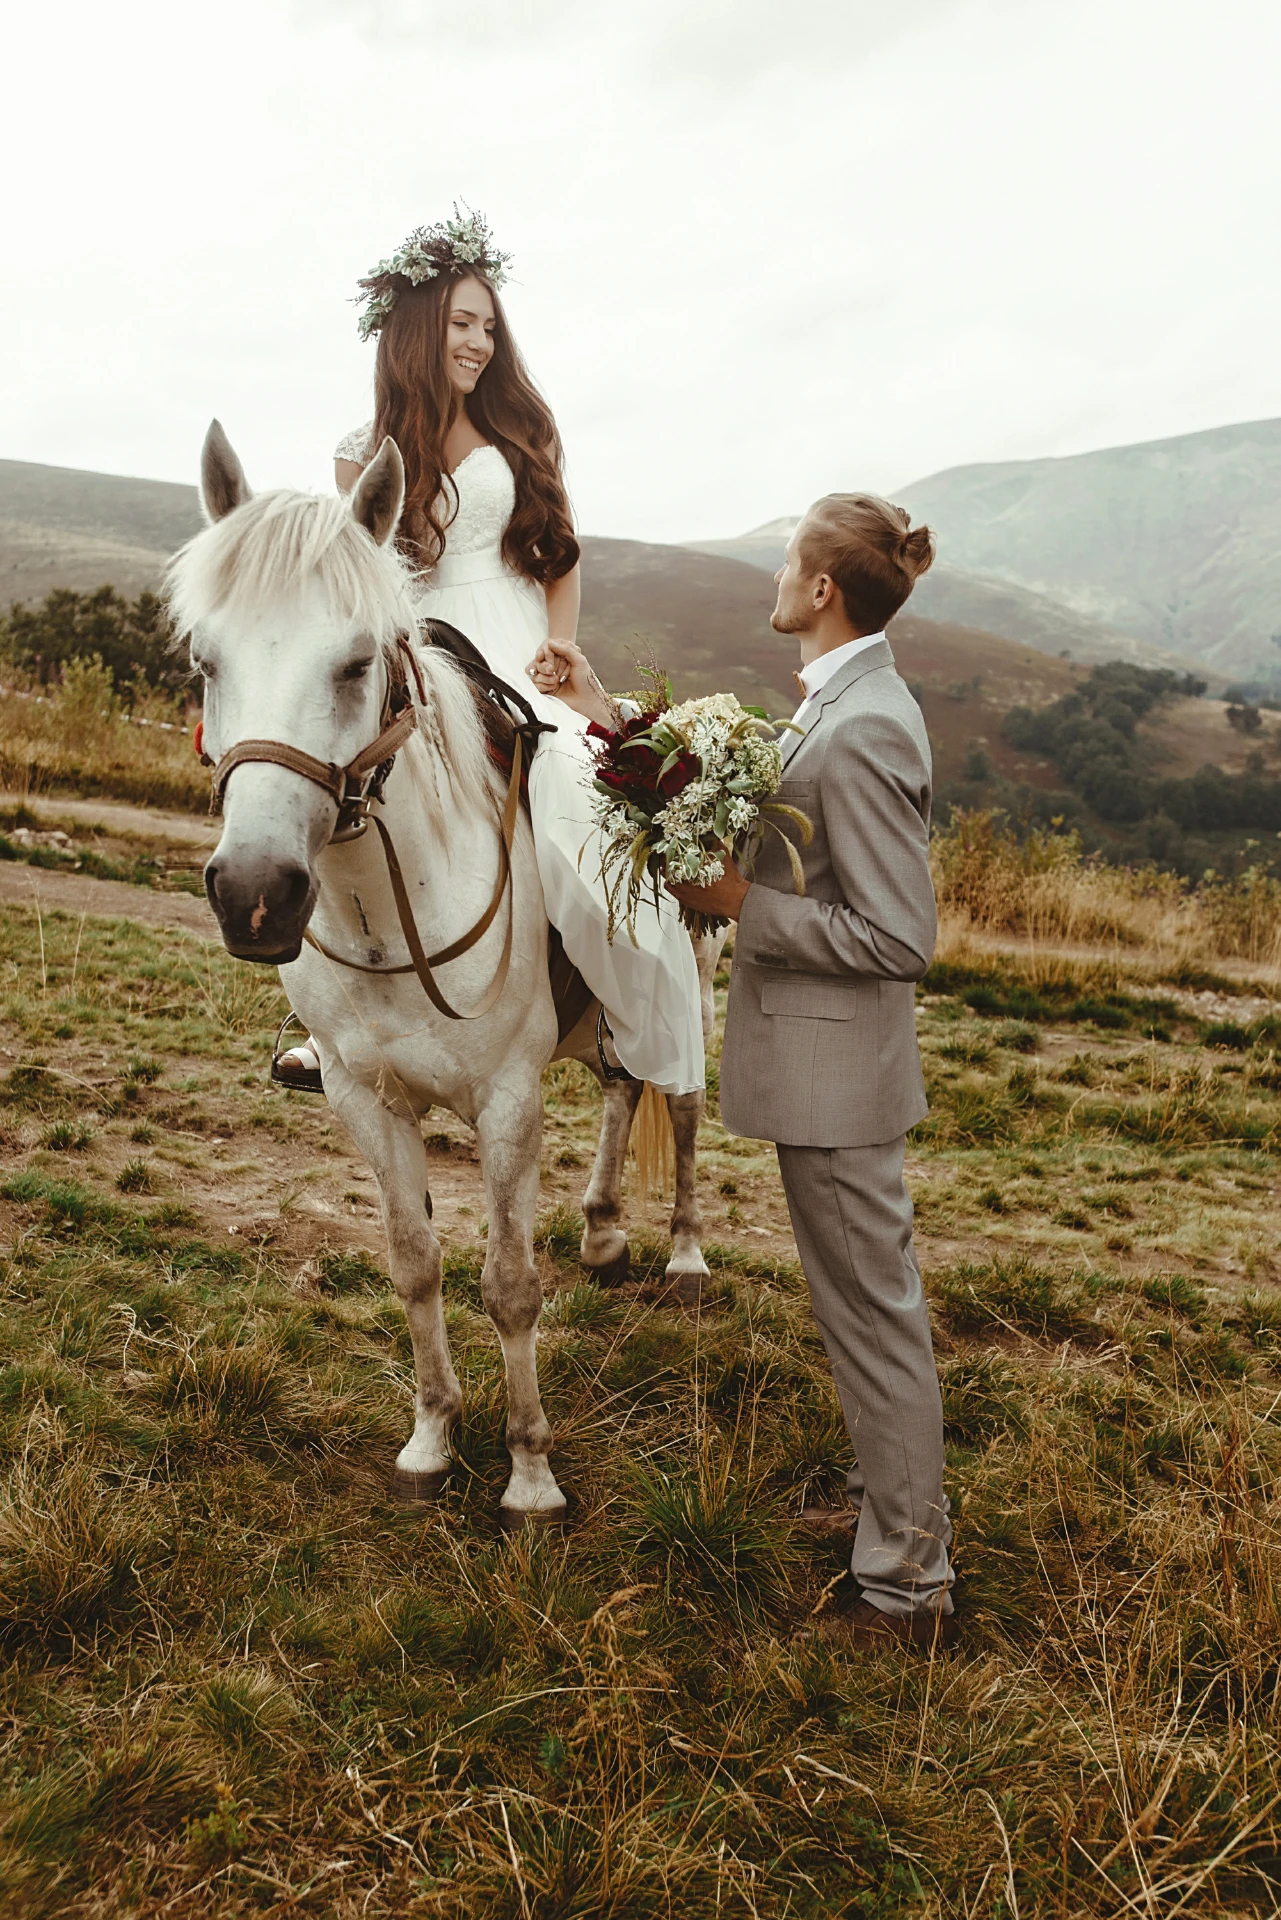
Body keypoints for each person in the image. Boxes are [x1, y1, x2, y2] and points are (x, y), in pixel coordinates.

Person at [277, 210, 703, 1095]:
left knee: (582, 804)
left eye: (487, 327)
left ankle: (616, 1015)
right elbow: (370, 577)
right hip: (422, 648)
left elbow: (560, 552)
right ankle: (325, 1016)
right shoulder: (360, 454)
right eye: (461, 324)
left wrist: (559, 647)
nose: (478, 342)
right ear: (415, 333)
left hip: (516, 646)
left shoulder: (520, 430)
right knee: (339, 784)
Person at [667, 493, 956, 1650]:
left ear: (822, 589)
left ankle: (907, 1585)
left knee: (877, 1322)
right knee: (861, 1320)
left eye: (789, 561)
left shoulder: (871, 722)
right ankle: (893, 1520)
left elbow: (899, 940)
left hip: (842, 1087)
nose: (776, 577)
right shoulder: (837, 701)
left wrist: (743, 907)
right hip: (826, 1079)